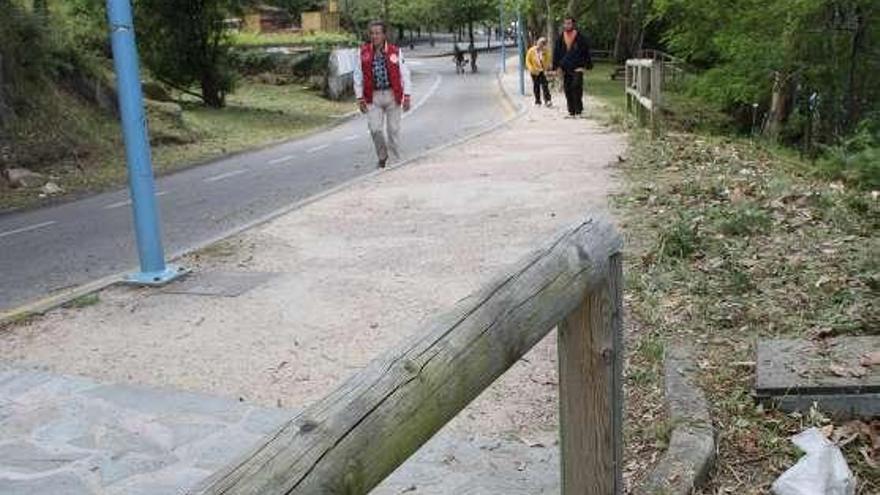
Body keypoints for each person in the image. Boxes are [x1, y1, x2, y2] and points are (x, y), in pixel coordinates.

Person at [353, 20, 413, 168]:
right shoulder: (363, 52)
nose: (374, 36)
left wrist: (407, 96)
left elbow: (405, 74)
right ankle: (382, 155)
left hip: (393, 95)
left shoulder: (395, 51)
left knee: (393, 130)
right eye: (372, 33)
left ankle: (394, 161)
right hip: (373, 96)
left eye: (378, 33)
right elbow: (357, 76)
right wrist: (359, 97)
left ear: (384, 34)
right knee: (375, 129)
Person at [552, 16, 593, 118]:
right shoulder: (560, 38)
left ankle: (578, 110)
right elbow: (556, 53)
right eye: (565, 23)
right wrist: (556, 67)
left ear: (573, 24)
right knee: (567, 89)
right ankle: (571, 111)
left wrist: (586, 66)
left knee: (576, 86)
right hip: (565, 68)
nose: (567, 25)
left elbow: (585, 52)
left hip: (577, 67)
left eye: (569, 23)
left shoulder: (580, 38)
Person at [526, 37, 553, 107]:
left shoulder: (545, 51)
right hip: (534, 71)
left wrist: (545, 68)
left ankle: (547, 100)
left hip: (541, 71)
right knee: (536, 86)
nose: (540, 46)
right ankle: (537, 101)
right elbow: (527, 61)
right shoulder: (531, 50)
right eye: (540, 44)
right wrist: (531, 69)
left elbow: (548, 60)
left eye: (543, 44)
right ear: (537, 43)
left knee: (545, 85)